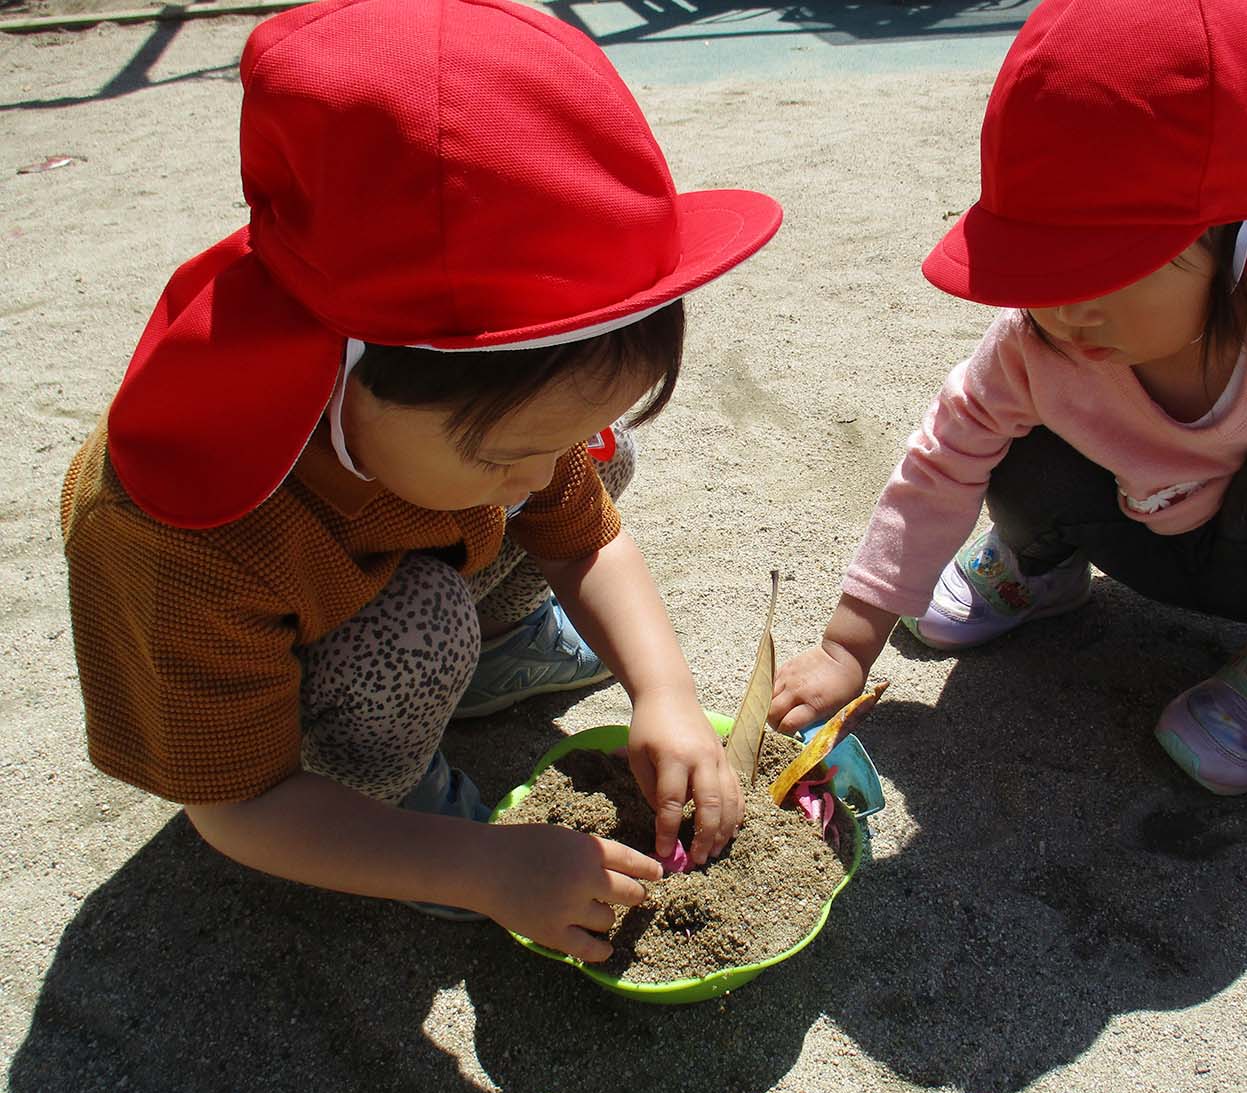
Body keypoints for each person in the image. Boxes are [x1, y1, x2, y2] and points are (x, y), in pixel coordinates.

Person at [60, 0, 782, 962]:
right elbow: (236, 803)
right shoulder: (183, 538)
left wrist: (667, 692)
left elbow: (591, 535)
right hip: (313, 680)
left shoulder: (465, 421)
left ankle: (501, 646)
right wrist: (482, 867)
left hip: (414, 548)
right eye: (501, 452)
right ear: (347, 370)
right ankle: (395, 802)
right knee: (417, 631)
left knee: (598, 468)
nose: (540, 470)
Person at [769, 0, 1247, 810]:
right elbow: (946, 455)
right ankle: (1036, 568)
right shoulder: (1043, 337)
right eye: (1041, 271)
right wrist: (849, 642)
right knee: (1008, 435)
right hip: (1133, 528)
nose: (1065, 310)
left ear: (1234, 234)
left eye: (1101, 268)